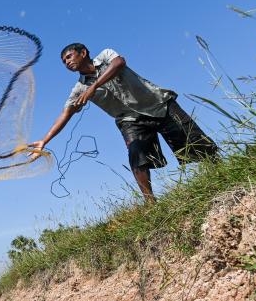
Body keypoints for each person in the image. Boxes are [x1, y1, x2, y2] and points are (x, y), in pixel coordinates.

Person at [29, 43, 218, 203]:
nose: (67, 62)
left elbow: (119, 63)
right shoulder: (79, 89)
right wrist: (45, 140)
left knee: (195, 141)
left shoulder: (105, 56)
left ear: (83, 53)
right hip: (130, 119)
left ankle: (220, 172)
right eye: (64, 62)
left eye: (69, 57)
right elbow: (65, 114)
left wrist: (94, 86)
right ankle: (150, 203)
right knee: (136, 154)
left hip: (158, 104)